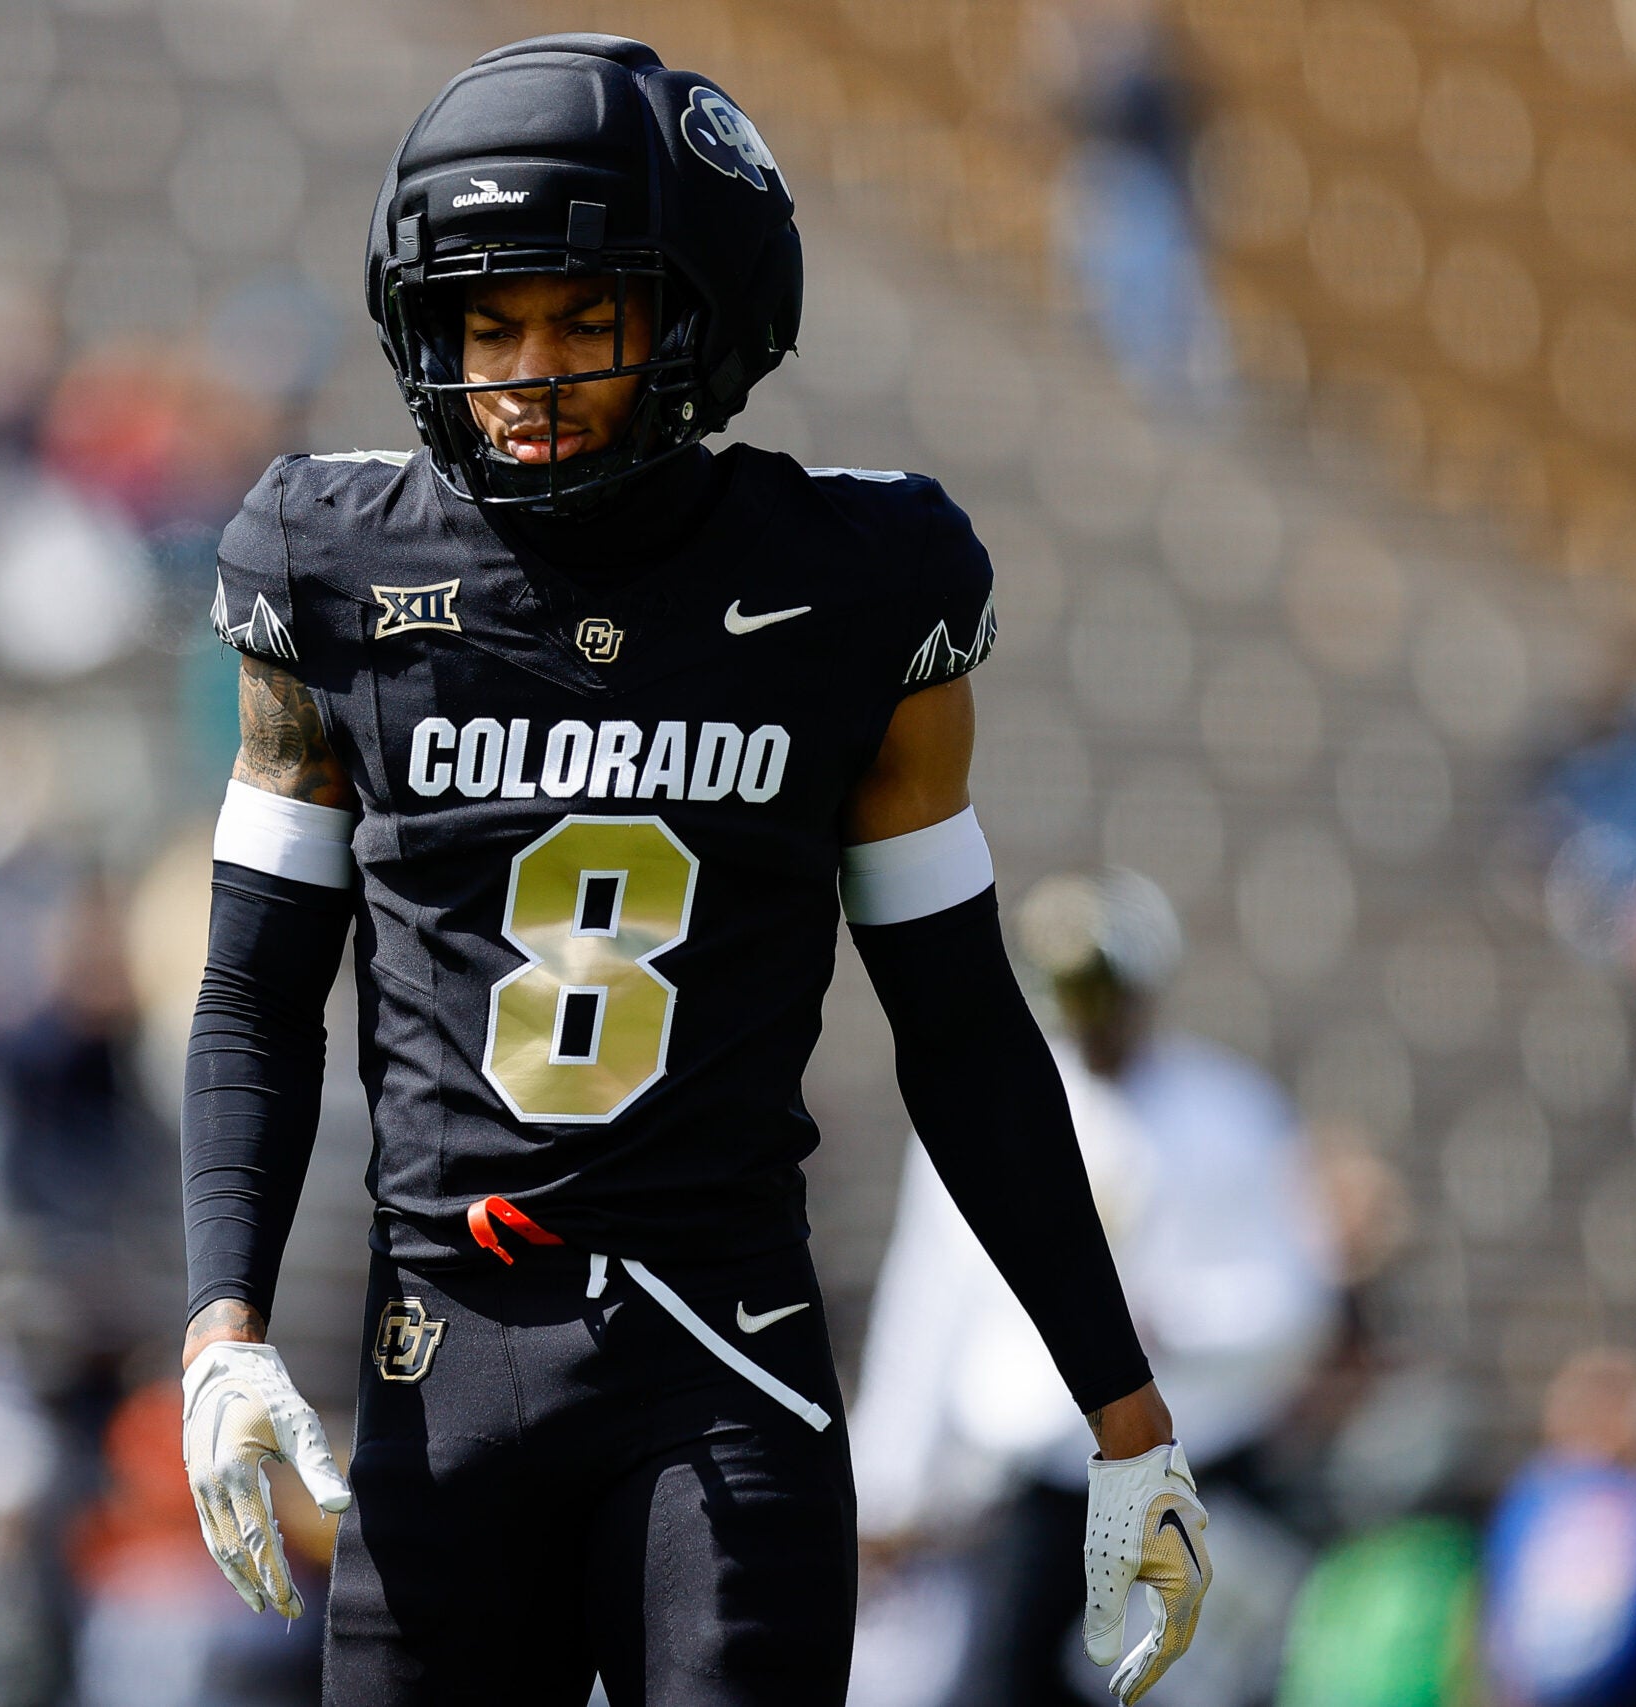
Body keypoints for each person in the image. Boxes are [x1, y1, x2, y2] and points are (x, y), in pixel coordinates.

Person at [174, 34, 1212, 1707]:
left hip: (720, 1363)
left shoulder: (857, 582)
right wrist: (221, 1320)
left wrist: (1123, 1410)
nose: (524, 368)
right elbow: (252, 988)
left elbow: (958, 1022)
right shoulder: (335, 567)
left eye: (585, 319)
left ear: (704, 317)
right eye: (487, 319)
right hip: (444, 1355)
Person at [850, 870, 1336, 1704]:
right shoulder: (991, 1116)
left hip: (1198, 1473)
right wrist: (887, 1481)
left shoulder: (1231, 1113)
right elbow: (927, 1305)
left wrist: (1180, 1324)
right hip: (1036, 1483)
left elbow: (1296, 1303)